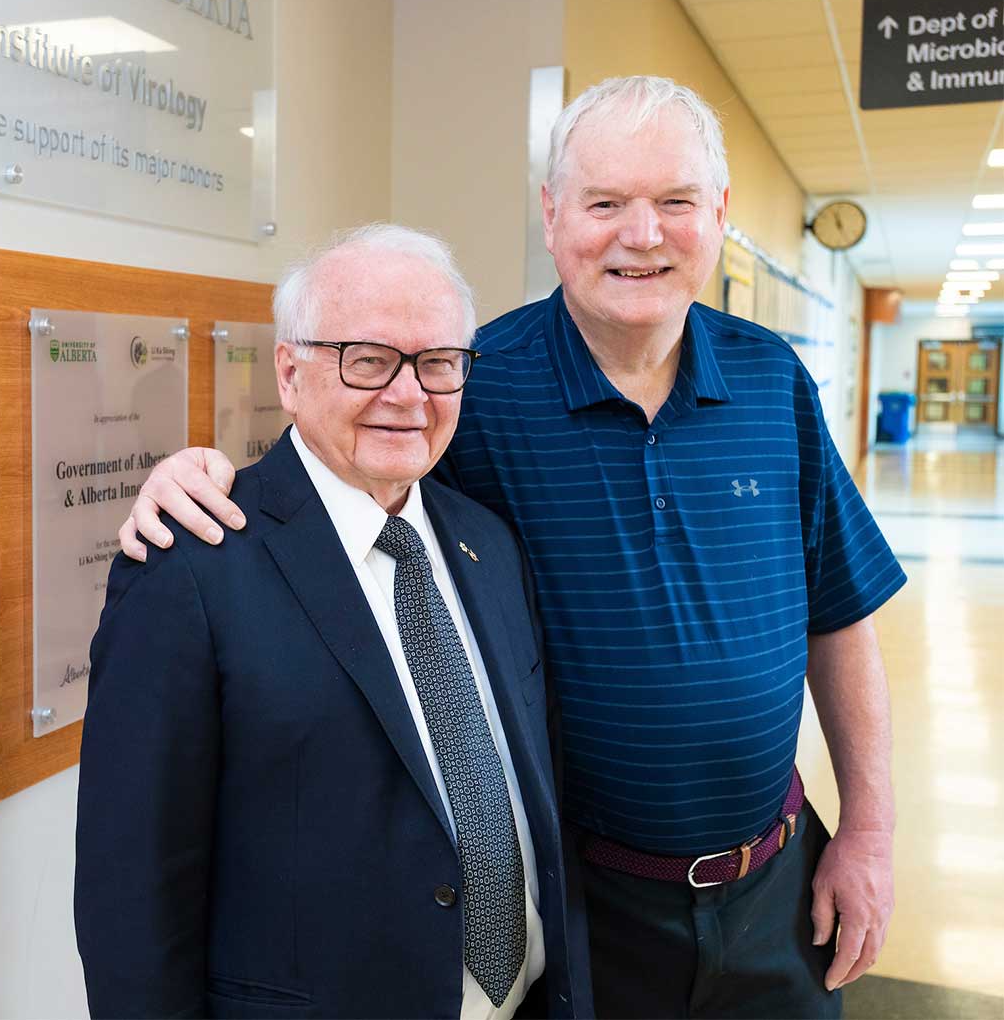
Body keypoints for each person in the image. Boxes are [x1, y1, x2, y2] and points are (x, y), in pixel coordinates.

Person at [118, 77, 905, 1019]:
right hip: (589, 912)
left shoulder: (775, 379)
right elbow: (344, 471)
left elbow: (840, 613)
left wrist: (870, 827)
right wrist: (202, 476)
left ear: (720, 215)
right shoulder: (478, 391)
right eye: (605, 202)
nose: (641, 235)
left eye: (675, 202)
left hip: (776, 888)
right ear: (552, 214)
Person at [74, 225, 588, 1020]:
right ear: (290, 371)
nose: (409, 395)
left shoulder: (486, 542)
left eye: (438, 364)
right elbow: (132, 894)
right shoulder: (191, 566)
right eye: (369, 359)